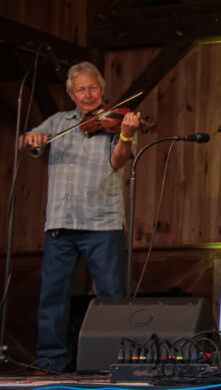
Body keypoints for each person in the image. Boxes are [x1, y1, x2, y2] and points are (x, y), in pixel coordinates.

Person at [20, 62, 141, 373]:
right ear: (71, 94)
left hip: (102, 221)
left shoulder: (116, 120)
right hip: (61, 220)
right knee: (52, 295)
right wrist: (32, 139)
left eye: (93, 88)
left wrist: (126, 136)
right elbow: (28, 140)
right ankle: (51, 361)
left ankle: (113, 360)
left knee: (110, 295)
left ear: (101, 90)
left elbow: (118, 162)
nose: (88, 95)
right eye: (81, 90)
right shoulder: (58, 122)